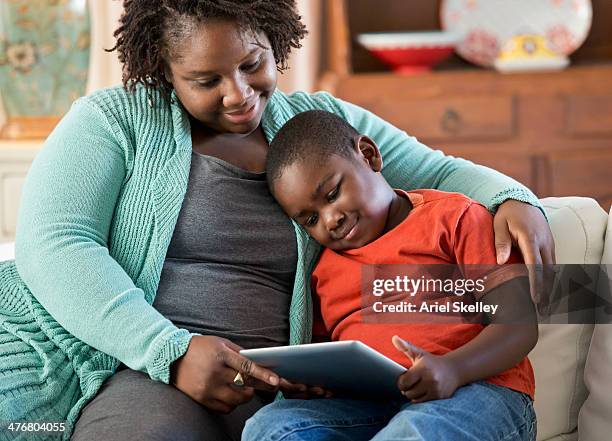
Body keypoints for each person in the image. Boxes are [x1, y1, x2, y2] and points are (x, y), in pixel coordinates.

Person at [0, 1, 552, 440]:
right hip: (152, 372)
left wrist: (514, 199)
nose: (238, 95)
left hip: (278, 390)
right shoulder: (115, 120)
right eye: (205, 80)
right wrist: (169, 353)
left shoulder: (319, 125)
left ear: (273, 39)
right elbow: (54, 242)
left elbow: (443, 173)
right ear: (165, 70)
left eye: (251, 64)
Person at [243, 110, 538, 440]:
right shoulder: (324, 272)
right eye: (310, 220)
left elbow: (520, 326)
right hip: (372, 407)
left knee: (411, 431)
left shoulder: (455, 219)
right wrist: (307, 384)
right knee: (270, 427)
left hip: (479, 392)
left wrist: (453, 368)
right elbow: (329, 364)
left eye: (332, 195)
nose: (330, 220)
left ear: (369, 156)